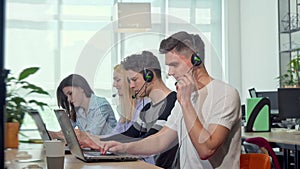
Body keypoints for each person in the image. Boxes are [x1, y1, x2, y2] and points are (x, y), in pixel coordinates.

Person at [98, 31, 242, 169]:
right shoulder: (186, 96)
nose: (170, 72)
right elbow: (161, 140)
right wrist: (124, 148)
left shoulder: (225, 94)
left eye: (174, 65)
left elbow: (206, 150)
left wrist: (185, 102)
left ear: (195, 59)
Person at [77, 51, 178, 169]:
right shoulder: (147, 108)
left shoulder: (172, 103)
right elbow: (127, 136)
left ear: (149, 76)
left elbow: (150, 140)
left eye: (134, 80)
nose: (131, 86)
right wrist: (94, 139)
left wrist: (102, 143)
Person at [53, 74, 117, 136]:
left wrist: (58, 135)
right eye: (67, 97)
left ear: (81, 88)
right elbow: (67, 131)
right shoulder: (78, 110)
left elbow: (91, 135)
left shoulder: (101, 106)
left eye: (70, 93)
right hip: (92, 146)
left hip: (110, 146)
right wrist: (52, 134)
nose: (69, 99)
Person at [111, 64, 150, 134]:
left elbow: (130, 138)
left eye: (118, 80)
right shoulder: (128, 108)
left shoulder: (145, 105)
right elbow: (115, 133)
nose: (114, 84)